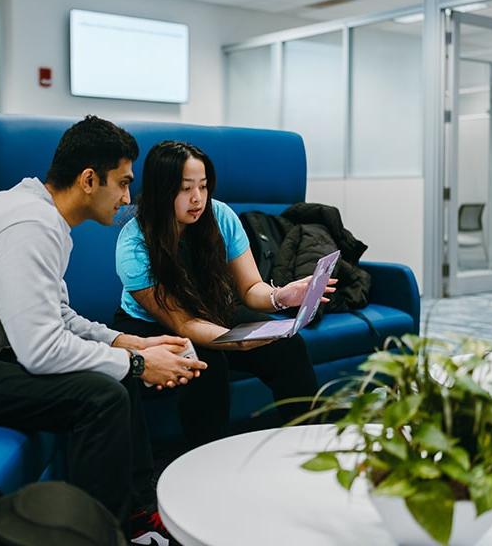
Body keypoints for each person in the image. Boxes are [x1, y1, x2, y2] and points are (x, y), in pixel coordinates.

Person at [0, 116, 206, 542]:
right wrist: (140, 363)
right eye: (122, 183)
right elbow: (41, 350)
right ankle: (97, 536)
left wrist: (127, 342)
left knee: (115, 377)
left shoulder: (40, 217)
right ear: (89, 179)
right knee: (102, 395)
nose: (127, 197)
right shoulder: (28, 224)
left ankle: (135, 517)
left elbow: (58, 316)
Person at [113, 140, 332, 448]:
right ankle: (205, 461)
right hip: (154, 323)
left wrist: (283, 296)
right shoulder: (134, 243)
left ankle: (307, 445)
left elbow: (249, 289)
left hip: (212, 306)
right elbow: (184, 324)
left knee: (288, 346)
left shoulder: (221, 217)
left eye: (203, 187)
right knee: (208, 362)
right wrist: (235, 340)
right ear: (162, 190)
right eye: (185, 188)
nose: (197, 198)